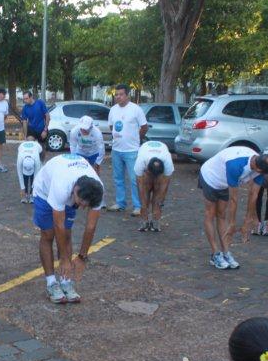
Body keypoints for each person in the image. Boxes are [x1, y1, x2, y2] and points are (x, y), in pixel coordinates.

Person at [32, 154, 104, 304]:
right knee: (48, 234)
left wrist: (82, 257)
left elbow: (91, 226)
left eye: (86, 205)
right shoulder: (62, 186)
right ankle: (51, 283)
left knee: (67, 234)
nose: (82, 208)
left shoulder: (98, 190)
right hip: (44, 192)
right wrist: (65, 260)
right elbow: (59, 225)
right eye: (81, 203)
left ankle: (65, 281)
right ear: (76, 191)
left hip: (67, 191)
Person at [199, 146, 268, 270]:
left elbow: (254, 195)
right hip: (211, 177)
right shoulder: (235, 165)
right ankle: (215, 253)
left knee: (221, 215)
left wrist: (247, 222)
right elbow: (233, 199)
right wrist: (232, 224)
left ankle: (225, 252)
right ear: (258, 169)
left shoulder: (261, 165)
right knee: (210, 214)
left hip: (225, 182)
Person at [107, 84, 148, 215]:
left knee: (134, 179)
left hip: (132, 150)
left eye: (121, 94)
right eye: (116, 94)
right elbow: (111, 126)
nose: (118, 97)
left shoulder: (136, 109)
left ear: (127, 95)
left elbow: (144, 127)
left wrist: (136, 138)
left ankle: (138, 206)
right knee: (118, 178)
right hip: (116, 150)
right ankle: (120, 203)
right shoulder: (113, 110)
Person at [133, 140, 174, 232]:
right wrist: (143, 205)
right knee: (145, 191)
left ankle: (155, 221)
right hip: (146, 169)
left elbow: (165, 185)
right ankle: (144, 221)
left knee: (158, 191)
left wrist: (160, 203)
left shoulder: (168, 162)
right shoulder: (141, 161)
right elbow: (140, 185)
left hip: (161, 157)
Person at [21, 91, 49, 159]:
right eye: (24, 99)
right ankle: (32, 161)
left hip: (41, 129)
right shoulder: (25, 108)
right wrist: (25, 135)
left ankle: (42, 162)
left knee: (42, 148)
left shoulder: (40, 103)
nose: (25, 101)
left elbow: (47, 116)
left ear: (31, 97)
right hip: (31, 129)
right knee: (30, 146)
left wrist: (45, 130)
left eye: (26, 98)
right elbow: (24, 122)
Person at [17, 136, 43, 203]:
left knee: (32, 177)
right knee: (25, 176)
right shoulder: (20, 159)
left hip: (35, 160)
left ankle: (31, 195)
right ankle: (25, 194)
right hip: (28, 159)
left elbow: (36, 176)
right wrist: (22, 188)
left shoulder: (37, 159)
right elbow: (20, 174)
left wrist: (34, 190)